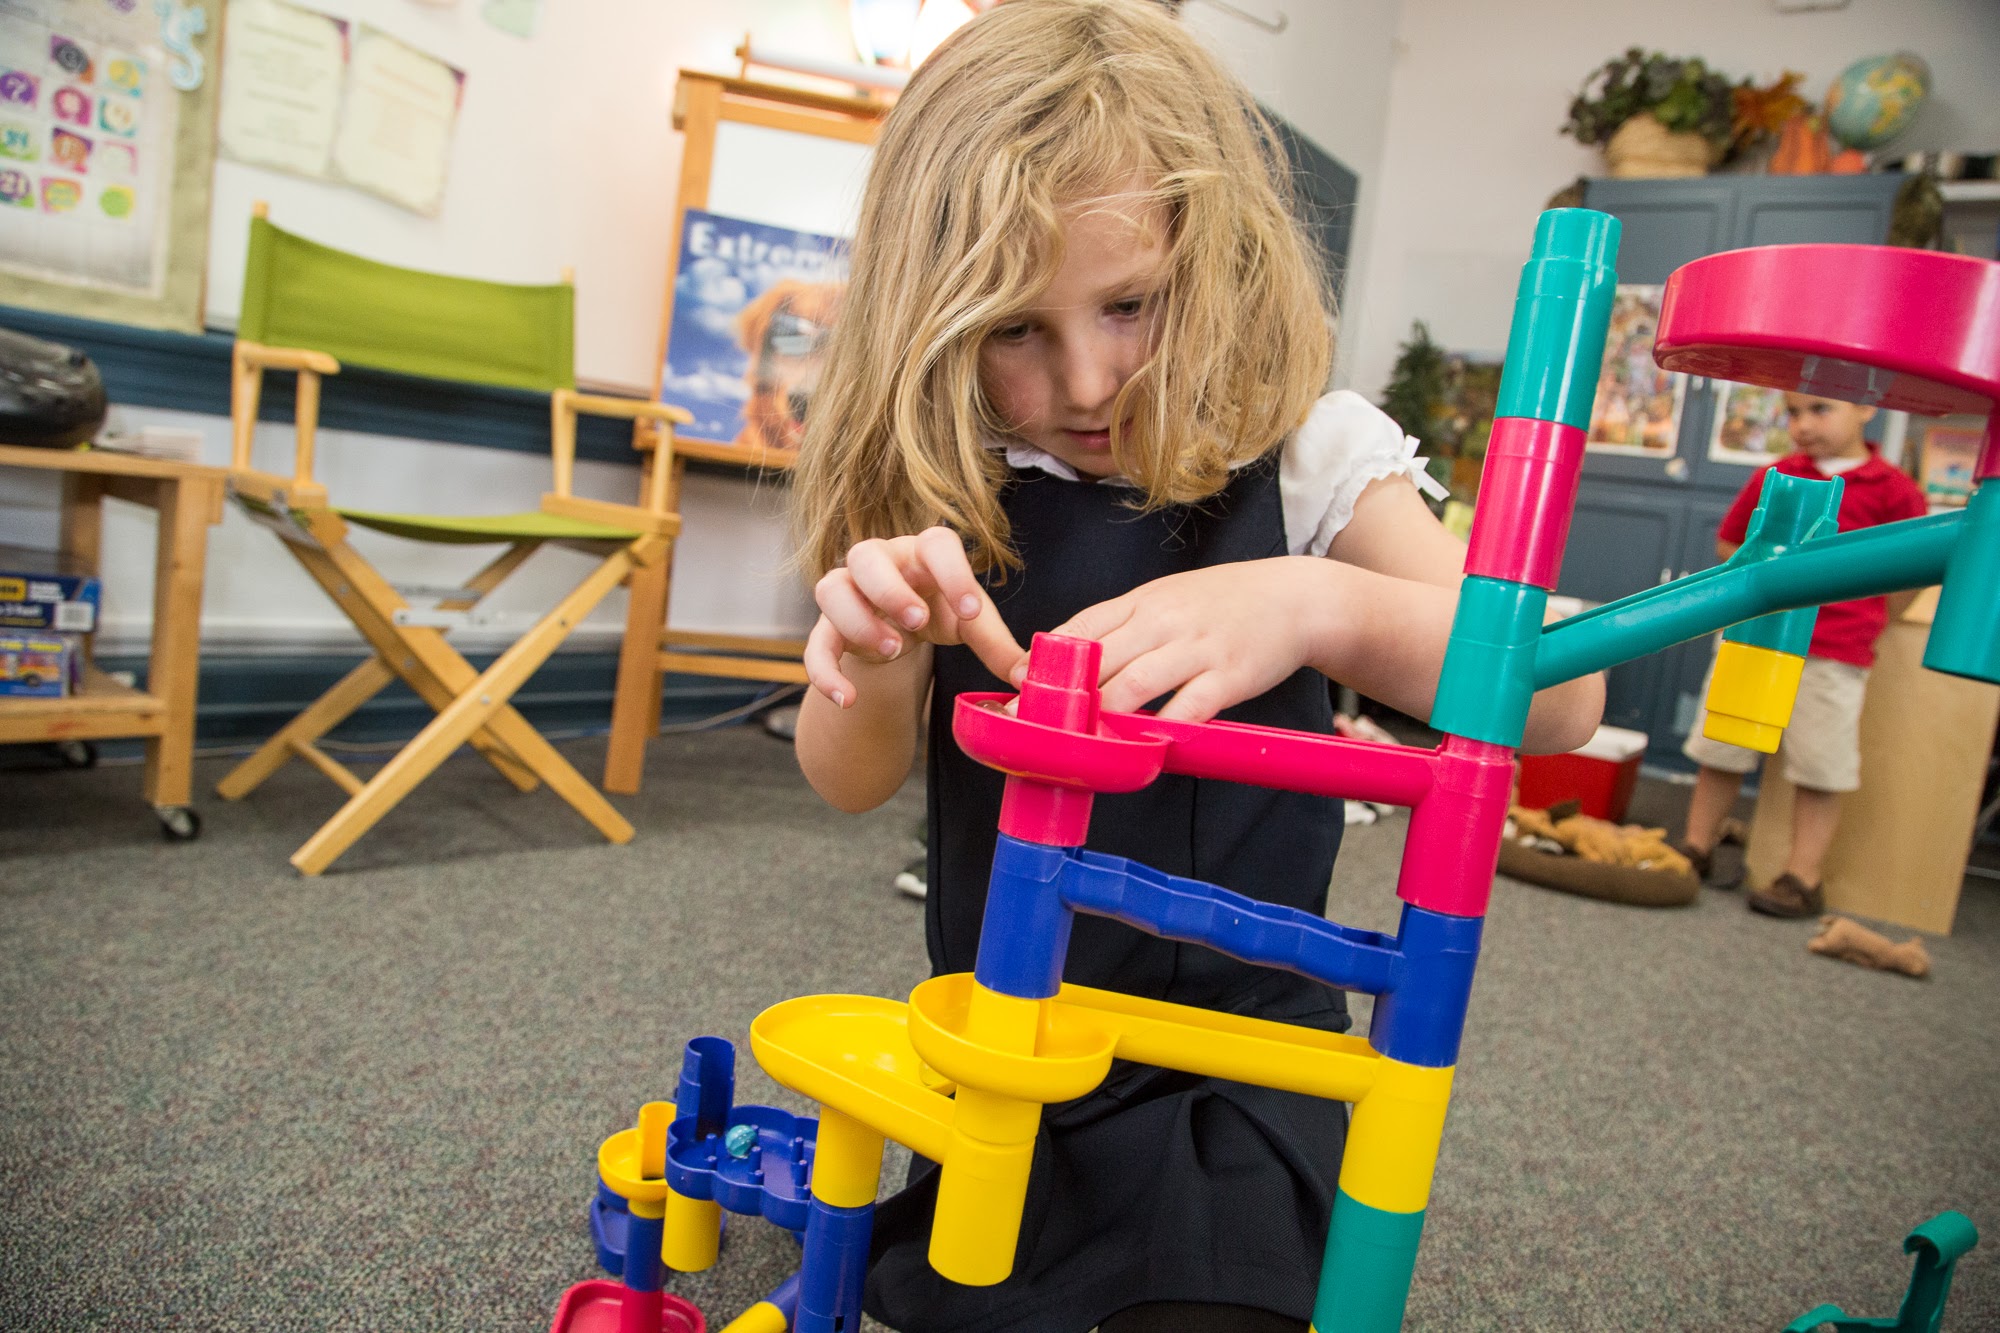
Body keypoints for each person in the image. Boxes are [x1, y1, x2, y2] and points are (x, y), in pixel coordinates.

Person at [788, 2, 1603, 1328]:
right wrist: (873, 656)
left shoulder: (1313, 454)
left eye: (1132, 305)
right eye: (1014, 330)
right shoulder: (947, 472)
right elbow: (848, 779)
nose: (1086, 382)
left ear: (1214, 261)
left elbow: (1565, 691)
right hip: (1016, 1053)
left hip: (1245, 1070)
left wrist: (1322, 604)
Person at [1679, 392, 1928, 918]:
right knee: (1721, 747)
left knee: (1820, 764)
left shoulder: (1895, 490)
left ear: (1866, 410)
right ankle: (1695, 848)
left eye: (1820, 409)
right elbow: (1729, 543)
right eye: (1793, 413)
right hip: (1757, 638)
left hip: (1835, 649)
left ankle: (1802, 877)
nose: (1802, 424)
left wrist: (1871, 617)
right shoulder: (1778, 474)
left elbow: (1912, 572)